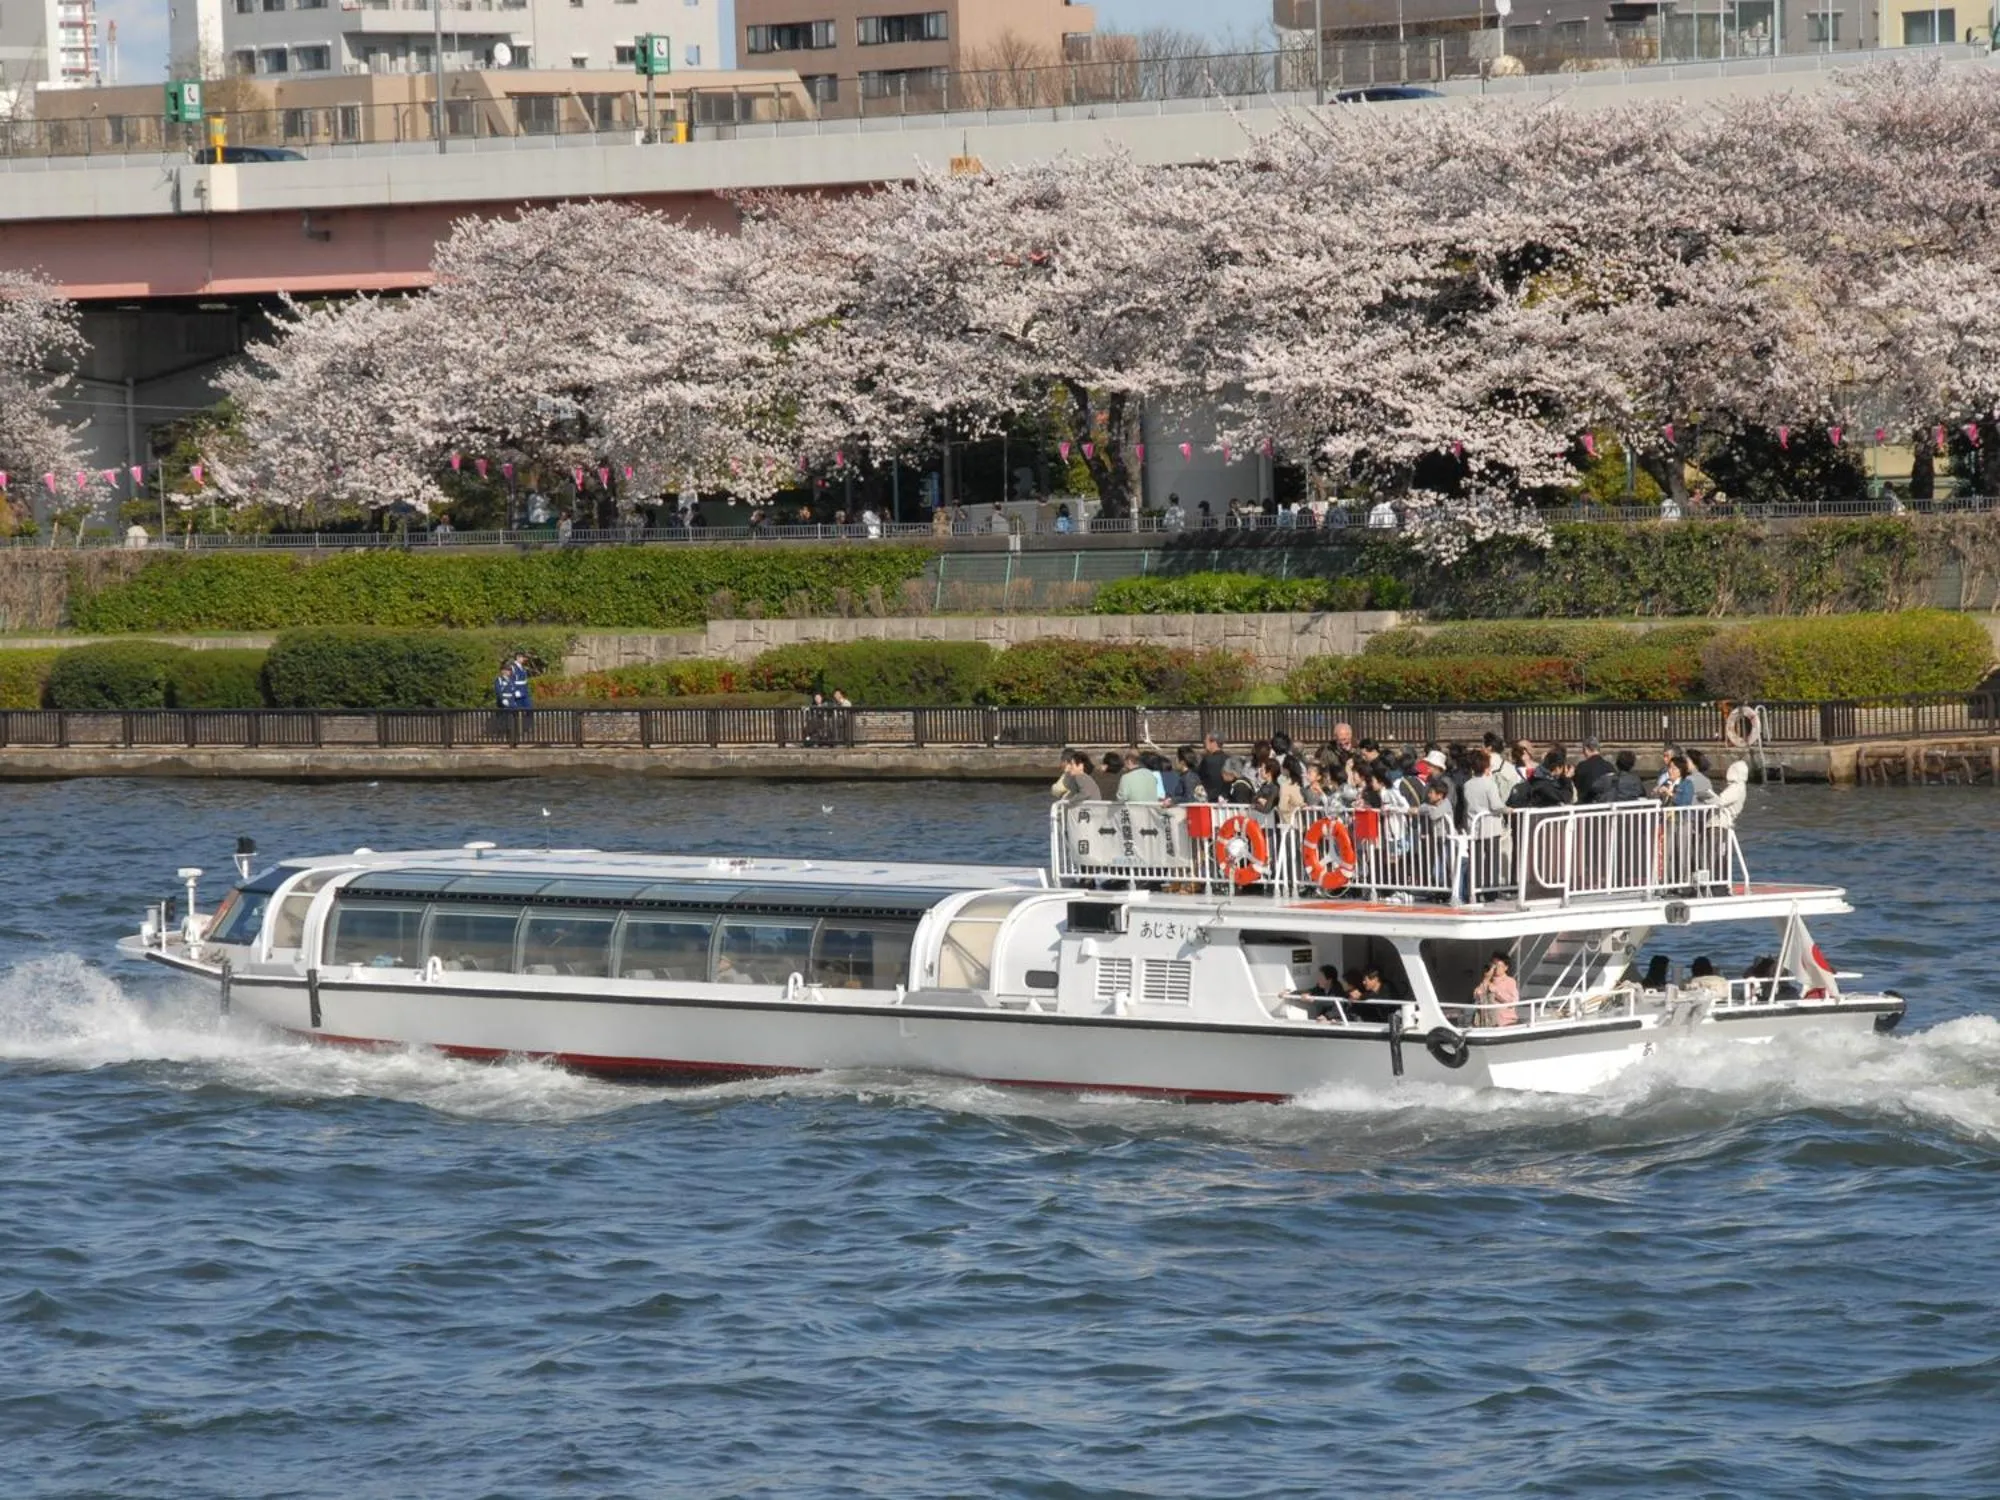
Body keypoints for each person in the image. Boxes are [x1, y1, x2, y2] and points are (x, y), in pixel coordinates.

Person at [1473, 952, 1520, 1027]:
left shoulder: (1510, 981)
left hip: (1505, 1022)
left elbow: (1513, 1002)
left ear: (1506, 967)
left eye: (1498, 965)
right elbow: (1476, 995)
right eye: (1493, 965)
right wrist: (1486, 979)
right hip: (1486, 1022)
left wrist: (1496, 992)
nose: (1495, 968)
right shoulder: (1488, 981)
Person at [1573, 737, 1614, 804]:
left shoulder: (1581, 766)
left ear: (1586, 749)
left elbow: (1576, 786)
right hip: (1605, 807)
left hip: (1585, 806)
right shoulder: (1609, 766)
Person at [1197, 733, 1229, 803]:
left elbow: (1199, 778)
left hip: (1209, 800)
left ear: (1213, 743)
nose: (1204, 743)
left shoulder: (1207, 761)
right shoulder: (1229, 759)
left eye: (1206, 741)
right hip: (1227, 800)